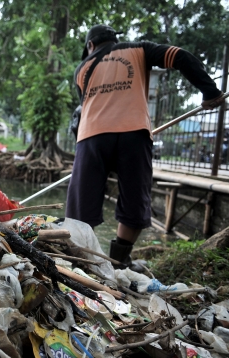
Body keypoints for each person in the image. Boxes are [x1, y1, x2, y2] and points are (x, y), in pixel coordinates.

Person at [66, 24, 225, 270]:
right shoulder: (139, 50)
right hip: (133, 133)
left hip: (92, 137)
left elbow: (84, 107)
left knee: (81, 204)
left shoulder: (82, 69)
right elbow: (179, 56)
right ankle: (119, 261)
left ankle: (82, 262)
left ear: (90, 46)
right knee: (134, 198)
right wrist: (209, 91)